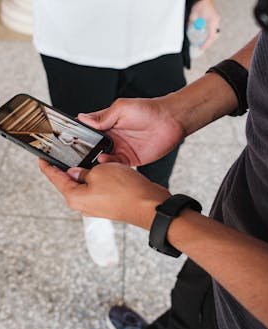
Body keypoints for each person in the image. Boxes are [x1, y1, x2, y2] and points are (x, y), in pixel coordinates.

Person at [38, 1, 268, 329]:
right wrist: (181, 111)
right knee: (185, 310)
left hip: (265, 307)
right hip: (225, 233)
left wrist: (157, 214)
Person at [32, 0, 220, 267]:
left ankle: (155, 193)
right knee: (81, 136)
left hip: (159, 26)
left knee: (166, 128)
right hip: (74, 29)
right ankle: (95, 215)